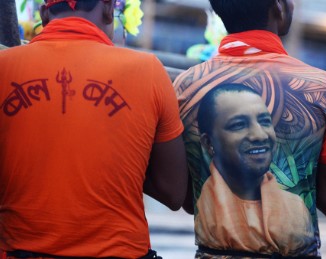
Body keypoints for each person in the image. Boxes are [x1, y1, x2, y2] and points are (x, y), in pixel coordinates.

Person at [0, 0, 188, 257]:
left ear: (44, 15)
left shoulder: (4, 67)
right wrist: (121, 158)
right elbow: (174, 192)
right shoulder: (148, 71)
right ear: (110, 9)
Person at [174, 0, 326, 257]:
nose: (258, 135)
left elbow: (189, 201)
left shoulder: (185, 87)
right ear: (278, 5)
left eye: (264, 120)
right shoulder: (320, 88)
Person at [194, 84, 315, 257]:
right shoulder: (203, 205)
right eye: (238, 125)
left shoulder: (295, 208)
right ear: (208, 143)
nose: (260, 135)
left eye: (265, 121)